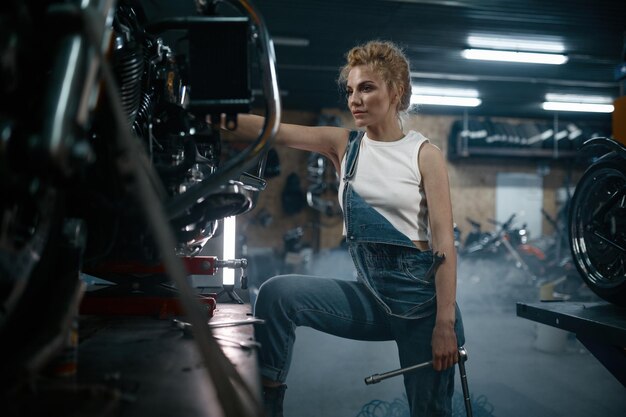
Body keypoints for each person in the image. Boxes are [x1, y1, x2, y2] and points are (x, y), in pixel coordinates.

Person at [223, 40, 464, 417]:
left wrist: (445, 323)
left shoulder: (424, 154)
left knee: (430, 412)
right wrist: (210, 119)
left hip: (422, 308)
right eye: (351, 90)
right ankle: (266, 403)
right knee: (277, 295)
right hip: (370, 296)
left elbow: (445, 245)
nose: (355, 99)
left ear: (396, 91)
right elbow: (274, 131)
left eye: (367, 88)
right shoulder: (344, 146)